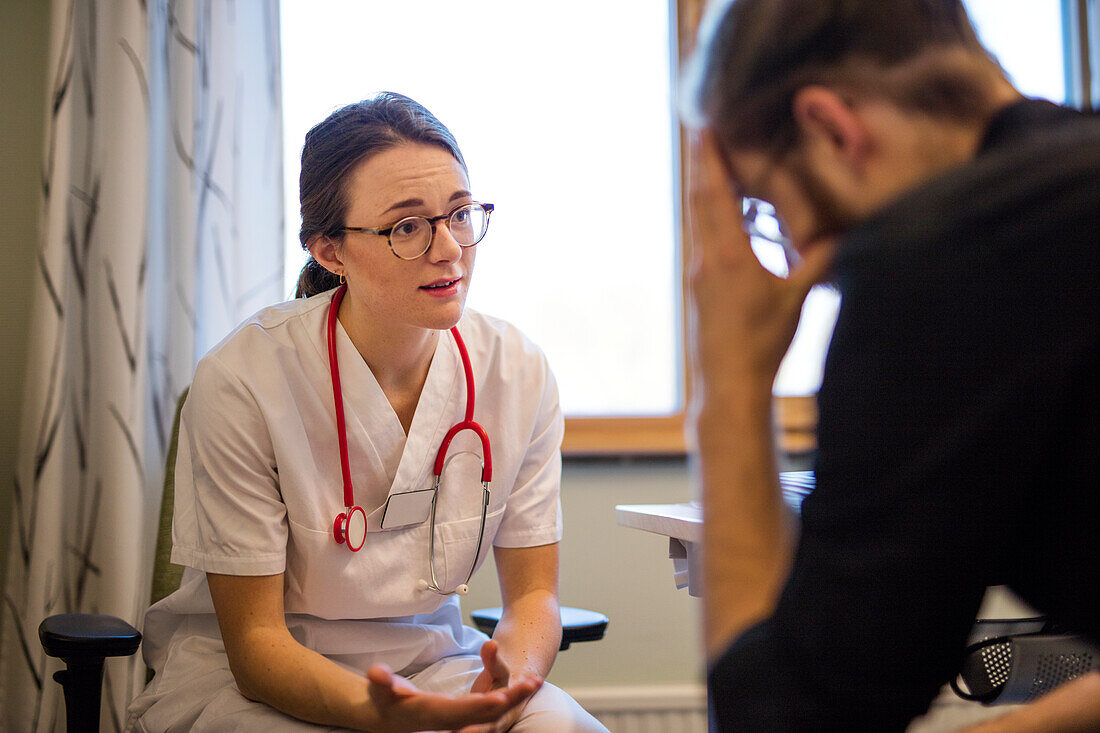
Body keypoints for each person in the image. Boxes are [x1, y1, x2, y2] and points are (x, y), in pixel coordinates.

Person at [127, 93, 607, 733]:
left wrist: (500, 694)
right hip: (259, 687)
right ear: (330, 250)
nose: (450, 250)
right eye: (407, 226)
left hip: (437, 668)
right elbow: (257, 647)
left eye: (460, 214)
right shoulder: (245, 379)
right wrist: (397, 719)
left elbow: (532, 597)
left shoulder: (516, 373)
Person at [681, 0, 1099, 730]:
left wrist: (731, 381)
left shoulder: (943, 263)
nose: (789, 262)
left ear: (832, 129)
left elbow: (789, 721)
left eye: (771, 207)